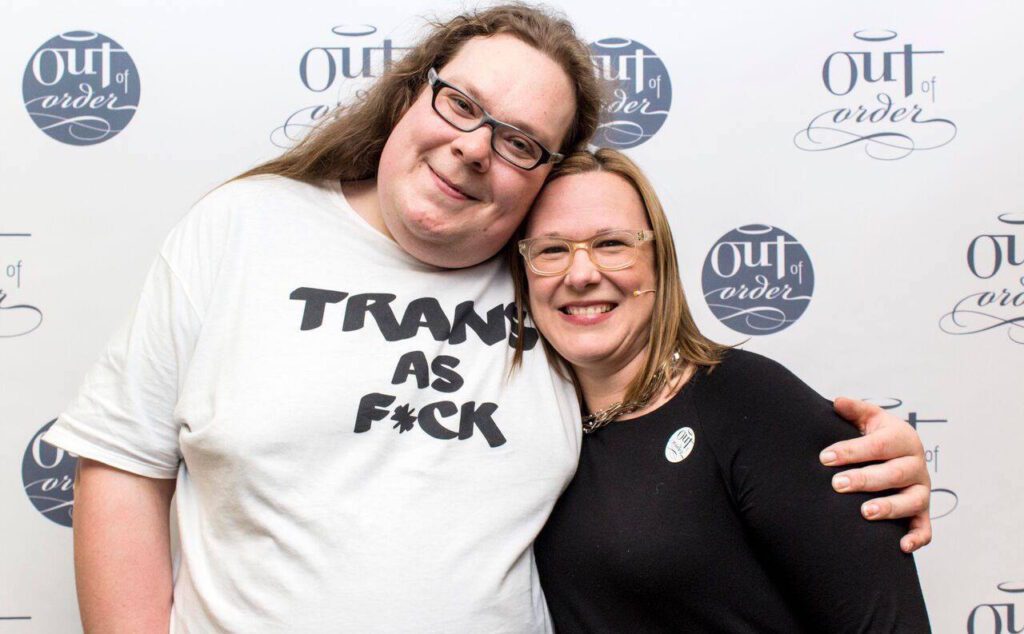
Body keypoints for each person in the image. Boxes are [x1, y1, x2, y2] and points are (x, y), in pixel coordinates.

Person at [44, 5, 930, 633]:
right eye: (462, 104)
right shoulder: (245, 225)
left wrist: (857, 466)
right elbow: (123, 462)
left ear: (540, 182)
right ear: (411, 95)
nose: (474, 147)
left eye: (518, 142)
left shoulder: (551, 292)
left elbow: (679, 435)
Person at [510, 148, 931, 631]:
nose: (580, 273)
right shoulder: (523, 424)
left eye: (611, 243)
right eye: (551, 250)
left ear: (659, 262)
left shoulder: (751, 402)